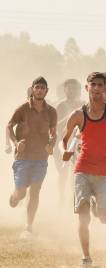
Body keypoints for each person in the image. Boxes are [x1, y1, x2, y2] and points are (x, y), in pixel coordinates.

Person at [60, 72, 106, 268]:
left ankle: (96, 204)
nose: (97, 89)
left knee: (105, 218)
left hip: (105, 170)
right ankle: (86, 257)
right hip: (82, 168)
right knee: (83, 215)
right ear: (87, 88)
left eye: (101, 86)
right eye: (94, 85)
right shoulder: (78, 115)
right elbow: (63, 140)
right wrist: (65, 151)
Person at [7, 77, 57, 239]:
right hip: (23, 157)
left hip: (41, 159)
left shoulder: (51, 111)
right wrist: (15, 142)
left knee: (35, 191)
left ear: (47, 91)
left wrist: (51, 144)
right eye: (37, 87)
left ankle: (28, 227)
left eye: (43, 87)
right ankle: (15, 196)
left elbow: (54, 133)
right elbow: (9, 126)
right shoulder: (22, 109)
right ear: (32, 89)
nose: (40, 90)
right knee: (21, 193)